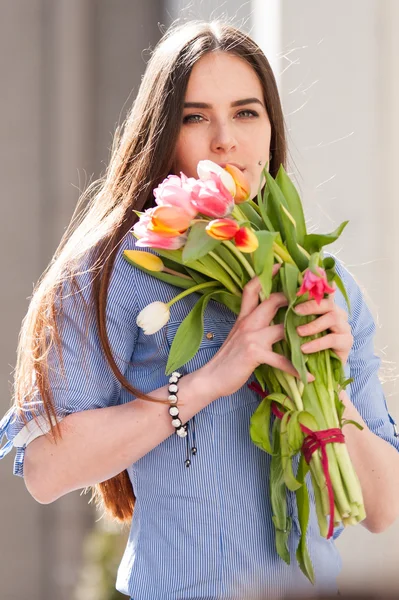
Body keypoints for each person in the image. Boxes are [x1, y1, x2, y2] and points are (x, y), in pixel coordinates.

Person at [0, 20, 398, 600]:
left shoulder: (322, 286)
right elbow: (45, 469)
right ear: (162, 133)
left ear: (270, 131)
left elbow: (382, 508)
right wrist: (208, 381)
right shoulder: (115, 269)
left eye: (245, 112)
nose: (224, 141)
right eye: (194, 117)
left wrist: (324, 381)